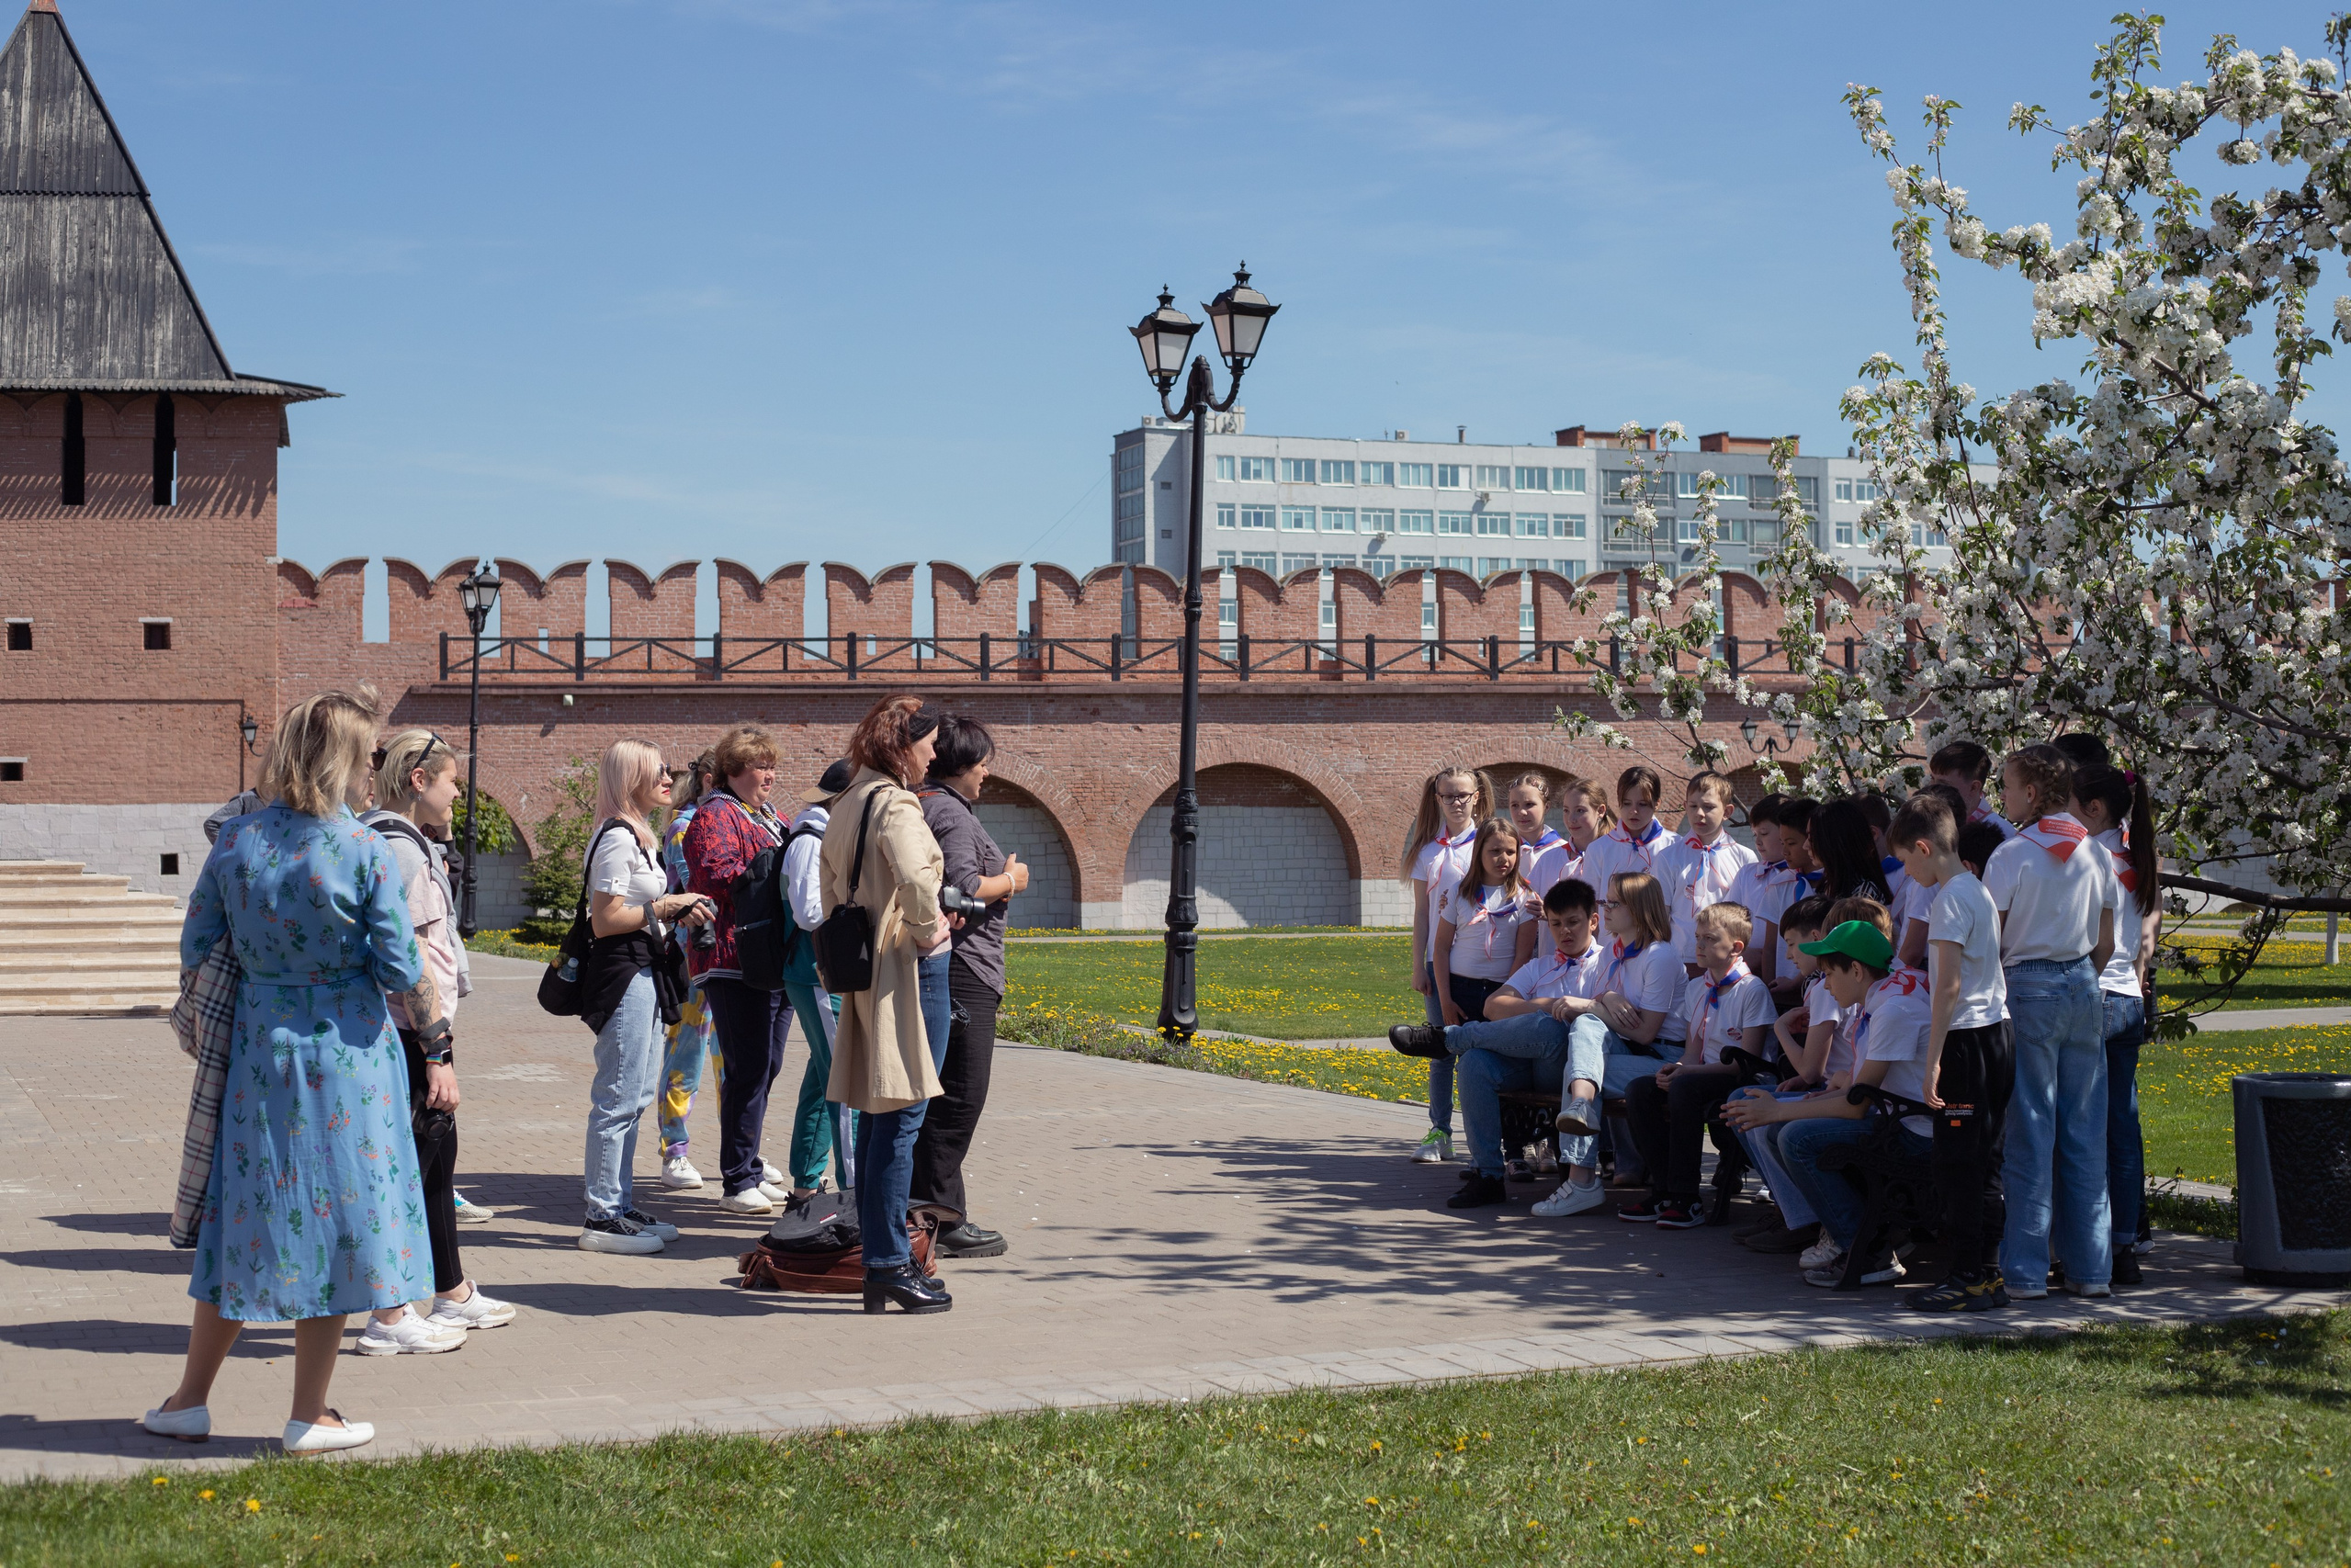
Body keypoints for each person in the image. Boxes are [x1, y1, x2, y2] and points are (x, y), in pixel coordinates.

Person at [143, 687, 432, 1455]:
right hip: (348, 1056)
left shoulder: (233, 842)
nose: (377, 768)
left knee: (241, 1217)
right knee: (336, 1223)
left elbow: (196, 944)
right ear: (343, 758)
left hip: (258, 1053)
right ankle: (309, 1412)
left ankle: (188, 1398)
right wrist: (434, 1043)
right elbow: (402, 965)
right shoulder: (364, 849)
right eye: (371, 754)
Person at [356, 728, 514, 1352]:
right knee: (413, 1164)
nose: (458, 796)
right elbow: (411, 958)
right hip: (413, 1030)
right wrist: (437, 1049)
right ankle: (387, 1312)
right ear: (419, 780)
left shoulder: (401, 841)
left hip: (413, 1028)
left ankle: (449, 1290)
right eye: (451, 782)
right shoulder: (401, 850)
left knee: (435, 1164)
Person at [823, 694, 957, 1314]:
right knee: (901, 1117)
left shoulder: (849, 798)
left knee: (880, 1118)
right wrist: (929, 927)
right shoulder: (896, 802)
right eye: (927, 745)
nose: (933, 757)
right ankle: (886, 1264)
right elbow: (913, 874)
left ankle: (884, 1261)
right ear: (904, 745)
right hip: (904, 967)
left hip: (865, 969)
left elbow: (828, 889)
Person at [1721, 918, 1936, 1288]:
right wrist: (1783, 1106)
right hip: (1892, 1115)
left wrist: (1779, 1109)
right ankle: (1839, 1229)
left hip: (1915, 1131)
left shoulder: (1893, 1010)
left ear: (1855, 969)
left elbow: (1856, 1105)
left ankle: (1868, 1250)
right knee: (1780, 1127)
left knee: (1795, 1137)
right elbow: (1859, 1091)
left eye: (1829, 973)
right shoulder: (1884, 995)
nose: (1825, 984)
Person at [1982, 743, 2119, 1300]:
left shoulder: (2011, 855)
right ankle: (2092, 1271)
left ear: (2032, 794)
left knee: (2030, 1131)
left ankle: (2026, 1273)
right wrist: (2078, 974)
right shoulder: (2099, 855)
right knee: (2085, 1131)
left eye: (2009, 787)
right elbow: (2108, 942)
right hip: (2085, 983)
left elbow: (1990, 940)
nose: (2004, 797)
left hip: (2027, 986)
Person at [1387, 878, 1609, 1213]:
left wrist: (1565, 1010)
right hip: (1526, 1065)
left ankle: (1447, 1038)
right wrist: (1550, 1004)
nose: (1564, 932)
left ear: (1593, 921)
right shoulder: (1540, 966)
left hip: (1570, 1072)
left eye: (1573, 922)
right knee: (1475, 1062)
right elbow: (1493, 1006)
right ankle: (1488, 1175)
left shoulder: (1609, 966)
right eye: (1556, 924)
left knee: (1553, 1029)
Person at [577, 740, 706, 1254]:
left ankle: (620, 1202)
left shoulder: (639, 835)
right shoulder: (615, 839)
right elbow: (604, 919)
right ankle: (602, 1214)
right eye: (658, 771)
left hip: (644, 971)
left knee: (634, 1095)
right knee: (617, 1096)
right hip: (623, 972)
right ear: (630, 777)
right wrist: (669, 905)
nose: (669, 778)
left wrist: (670, 909)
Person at [1890, 790, 2015, 1312]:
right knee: (1983, 1163)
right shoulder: (1976, 888)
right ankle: (1985, 1274)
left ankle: (1968, 1274)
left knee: (1959, 1166)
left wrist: (1934, 1058)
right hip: (1996, 1035)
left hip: (1966, 1041)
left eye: (1903, 862)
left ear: (1923, 848)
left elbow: (1947, 988)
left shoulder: (1947, 899)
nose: (1906, 874)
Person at [915, 715, 1028, 1259]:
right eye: (982, 762)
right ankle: (935, 1215)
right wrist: (1011, 880)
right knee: (960, 1095)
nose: (987, 772)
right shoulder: (952, 816)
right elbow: (961, 888)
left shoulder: (925, 805)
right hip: (966, 969)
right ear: (960, 765)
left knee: (941, 1093)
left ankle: (939, 1211)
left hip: (946, 965)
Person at [684, 726, 797, 1215]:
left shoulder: (769, 814)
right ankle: (737, 1178)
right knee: (747, 1065)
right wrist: (780, 865)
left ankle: (748, 1163)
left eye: (772, 764)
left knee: (766, 1065)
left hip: (774, 955)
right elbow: (715, 873)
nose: (769, 773)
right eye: (759, 765)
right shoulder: (715, 813)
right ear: (733, 770)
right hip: (732, 956)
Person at [1616, 901, 1774, 1227]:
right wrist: (1675, 1067)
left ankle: (1687, 1199)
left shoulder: (1752, 990)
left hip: (1741, 1078)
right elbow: (1693, 1052)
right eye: (1697, 937)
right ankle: (1663, 1191)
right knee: (1641, 1089)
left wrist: (1687, 1073)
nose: (1698, 946)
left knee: (1685, 1087)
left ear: (1736, 947)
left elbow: (1745, 1063)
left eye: (1709, 939)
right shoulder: (1696, 988)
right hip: (1702, 1074)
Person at [2073, 761, 2158, 1289]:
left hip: (2099, 994)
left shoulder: (2093, 858)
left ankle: (2090, 1247)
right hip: (2129, 1000)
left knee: (2085, 1131)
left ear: (2095, 809)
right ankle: (2125, 1246)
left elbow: (2089, 936)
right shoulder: (2137, 855)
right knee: (2122, 1130)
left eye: (2069, 804)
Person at [1733, 893, 1837, 1254]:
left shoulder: (1827, 987)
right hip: (1829, 1089)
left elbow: (1810, 1069)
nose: (1789, 955)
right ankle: (1792, 1210)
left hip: (1835, 1093)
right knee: (1740, 1102)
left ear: (1816, 937)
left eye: (1793, 945)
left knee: (1760, 1119)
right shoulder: (1820, 985)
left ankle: (1803, 1218)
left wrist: (1780, 1029)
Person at [1402, 765, 1491, 1164]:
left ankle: (1508, 1136)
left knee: (1486, 1050)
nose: (1456, 802)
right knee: (1441, 1050)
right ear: (1436, 799)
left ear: (1477, 797)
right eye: (1448, 796)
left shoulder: (1488, 843)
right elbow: (1422, 913)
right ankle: (1439, 1129)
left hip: (1482, 965)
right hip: (1439, 966)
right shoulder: (1427, 851)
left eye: (1463, 795)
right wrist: (1418, 964)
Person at [781, 758, 857, 1200]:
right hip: (815, 973)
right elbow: (809, 913)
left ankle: (807, 1185)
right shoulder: (812, 841)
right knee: (844, 1083)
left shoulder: (817, 834)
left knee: (823, 1077)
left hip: (817, 973)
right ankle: (854, 1190)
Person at [657, 751, 723, 1190]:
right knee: (687, 1053)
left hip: (728, 958)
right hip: (692, 958)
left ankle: (744, 1151)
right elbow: (702, 886)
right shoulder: (686, 826)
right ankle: (674, 1150)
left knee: (733, 1059)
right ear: (711, 780)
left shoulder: (740, 818)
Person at [1431, 817, 1540, 1029]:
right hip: (1459, 986)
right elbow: (1441, 948)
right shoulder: (1459, 892)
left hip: (1502, 988)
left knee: (1493, 1055)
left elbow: (1523, 955)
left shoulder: (1525, 897)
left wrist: (1504, 996)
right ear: (1479, 852)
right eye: (1495, 851)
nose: (1503, 858)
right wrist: (1445, 1001)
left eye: (1510, 852)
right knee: (1463, 1052)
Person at [1654, 771, 1757, 975]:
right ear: (1685, 807)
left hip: (1727, 962)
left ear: (1727, 811)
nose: (1699, 813)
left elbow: (1748, 919)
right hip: (1680, 961)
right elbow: (1660, 917)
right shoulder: (1668, 857)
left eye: (1708, 807)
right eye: (1693, 806)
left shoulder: (1745, 858)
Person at [1576, 765, 1671, 904]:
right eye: (1626, 803)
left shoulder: (1672, 846)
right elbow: (1590, 905)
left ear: (1657, 803)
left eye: (1642, 804)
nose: (1634, 811)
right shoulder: (1599, 849)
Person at [1725, 795, 1787, 985]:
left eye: (1764, 833)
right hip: (1746, 967)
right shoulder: (1747, 874)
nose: (1758, 841)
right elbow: (1728, 919)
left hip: (1789, 969)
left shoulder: (1803, 877)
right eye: (1755, 835)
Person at [1930, 740, 2018, 840]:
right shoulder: (1928, 825)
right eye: (1932, 779)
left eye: (1943, 784)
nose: (1932, 789)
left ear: (1974, 787)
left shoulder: (2004, 836)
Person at [1504, 772, 1570, 896]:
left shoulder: (1564, 851)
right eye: (1515, 805)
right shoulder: (1504, 850)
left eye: (1529, 804)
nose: (1522, 812)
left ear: (1547, 807)